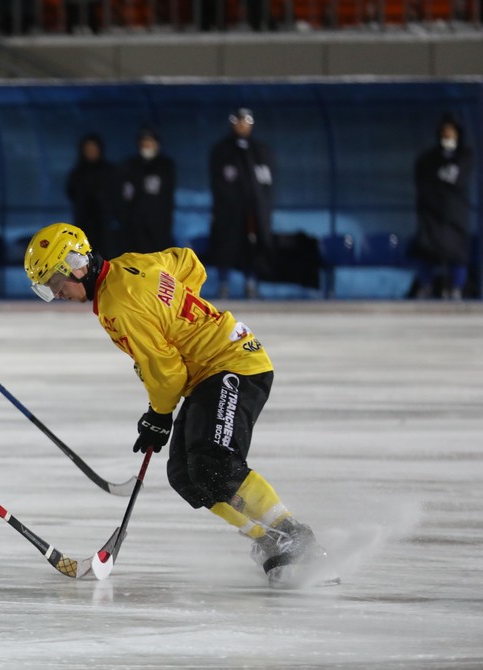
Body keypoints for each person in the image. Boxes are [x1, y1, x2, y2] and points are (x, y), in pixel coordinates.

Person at [22, 222, 336, 589]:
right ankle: (269, 539)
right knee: (186, 474)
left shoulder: (117, 304)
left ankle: (293, 535)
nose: (56, 293)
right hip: (209, 372)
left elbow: (167, 373)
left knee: (214, 463)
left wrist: (158, 415)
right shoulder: (128, 266)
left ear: (77, 264)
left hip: (232, 364)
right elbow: (188, 262)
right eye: (48, 289)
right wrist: (182, 317)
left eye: (57, 283)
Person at [208, 107, 276, 299]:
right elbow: (218, 182)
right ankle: (224, 284)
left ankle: (251, 284)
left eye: (246, 122)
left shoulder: (260, 151)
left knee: (252, 247)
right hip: (228, 213)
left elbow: (266, 183)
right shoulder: (222, 150)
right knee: (226, 246)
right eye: (238, 121)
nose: (242, 125)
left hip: (253, 213)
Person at [409, 114, 473, 300]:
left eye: (452, 133)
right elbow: (424, 182)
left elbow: (457, 179)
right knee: (426, 249)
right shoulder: (428, 158)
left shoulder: (465, 156)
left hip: (455, 214)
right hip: (431, 213)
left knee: (458, 253)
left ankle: (456, 289)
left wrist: (442, 178)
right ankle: (426, 286)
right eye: (445, 133)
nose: (448, 136)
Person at [118, 124, 176, 256]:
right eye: (144, 141)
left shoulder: (165, 166)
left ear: (157, 143)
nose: (147, 145)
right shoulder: (130, 165)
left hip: (159, 226)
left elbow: (167, 197)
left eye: (150, 141)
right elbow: (124, 195)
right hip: (135, 227)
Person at [66, 133, 121, 260]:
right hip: (84, 227)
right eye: (88, 149)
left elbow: (117, 197)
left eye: (93, 148)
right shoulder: (77, 173)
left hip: (106, 228)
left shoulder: (109, 172)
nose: (91, 152)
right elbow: (71, 193)